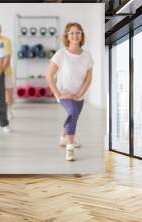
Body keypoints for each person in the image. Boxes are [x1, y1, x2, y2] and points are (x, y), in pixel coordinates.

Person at [45, 22, 93, 161]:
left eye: (78, 32)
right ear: (67, 36)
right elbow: (49, 76)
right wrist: (58, 94)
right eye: (72, 33)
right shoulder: (61, 54)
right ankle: (70, 149)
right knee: (72, 113)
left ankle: (63, 138)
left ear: (81, 35)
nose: (75, 35)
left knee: (73, 116)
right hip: (64, 93)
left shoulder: (87, 56)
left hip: (79, 95)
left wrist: (78, 94)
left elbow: (88, 79)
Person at [0, 22, 14, 120]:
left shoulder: (6, 40)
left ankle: (9, 111)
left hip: (6, 72)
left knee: (8, 92)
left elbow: (7, 59)